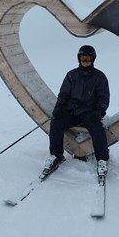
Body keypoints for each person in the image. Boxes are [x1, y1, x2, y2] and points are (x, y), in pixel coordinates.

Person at [44, 45, 110, 176]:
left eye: (88, 59)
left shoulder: (99, 77)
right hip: (71, 111)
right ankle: (56, 155)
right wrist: (58, 107)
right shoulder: (71, 75)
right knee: (56, 122)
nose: (85, 62)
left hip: (89, 112)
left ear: (93, 60)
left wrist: (99, 111)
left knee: (97, 128)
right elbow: (63, 94)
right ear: (78, 59)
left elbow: (104, 97)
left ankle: (102, 159)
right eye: (82, 58)